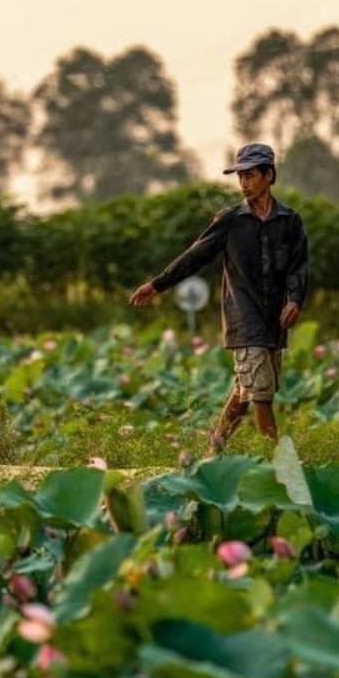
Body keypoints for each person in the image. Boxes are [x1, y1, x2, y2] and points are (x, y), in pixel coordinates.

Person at [129, 142, 309, 456]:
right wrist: (158, 285)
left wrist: (295, 299)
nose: (243, 182)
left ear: (269, 175)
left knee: (245, 391)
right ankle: (281, 466)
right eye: (240, 176)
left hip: (273, 320)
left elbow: (298, 266)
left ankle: (215, 445)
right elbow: (194, 256)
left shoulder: (290, 222)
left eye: (250, 175)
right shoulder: (230, 220)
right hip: (243, 318)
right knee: (261, 396)